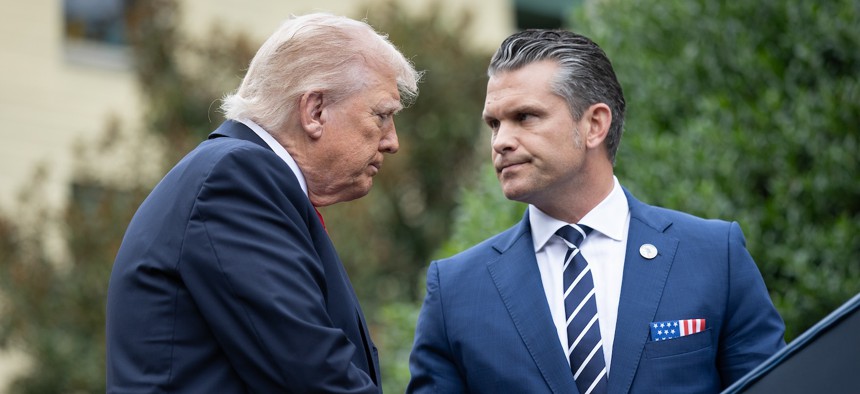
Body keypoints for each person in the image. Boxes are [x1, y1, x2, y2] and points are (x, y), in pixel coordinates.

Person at [407, 29, 785, 394]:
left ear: (594, 124)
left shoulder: (714, 255)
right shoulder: (456, 290)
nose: (501, 141)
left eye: (525, 117)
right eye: (494, 124)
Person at [106, 12, 420, 392]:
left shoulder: (243, 178)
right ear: (315, 111)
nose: (392, 141)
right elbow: (311, 373)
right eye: (382, 115)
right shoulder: (235, 178)